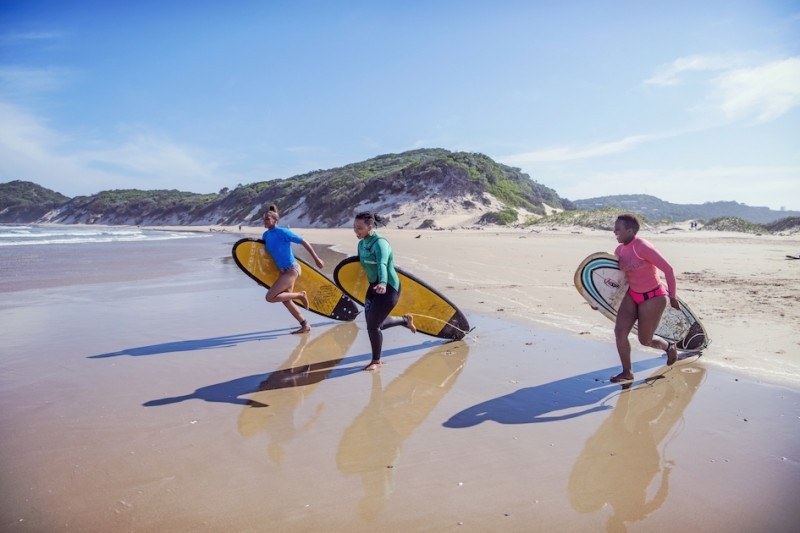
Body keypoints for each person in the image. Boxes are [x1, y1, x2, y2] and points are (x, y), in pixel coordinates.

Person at [610, 213, 679, 383]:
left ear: (630, 230)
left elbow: (668, 270)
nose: (614, 231)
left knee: (645, 340)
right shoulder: (619, 250)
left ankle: (669, 346)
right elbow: (616, 280)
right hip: (632, 294)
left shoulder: (642, 247)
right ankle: (627, 372)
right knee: (619, 332)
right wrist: (596, 299)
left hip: (653, 297)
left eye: (618, 229)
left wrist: (673, 296)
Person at [352, 211, 416, 371]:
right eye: (354, 227)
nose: (356, 231)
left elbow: (382, 264)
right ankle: (404, 321)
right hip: (373, 287)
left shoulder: (380, 243)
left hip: (388, 288)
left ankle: (376, 361)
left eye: (359, 228)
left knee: (373, 326)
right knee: (373, 323)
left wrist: (382, 282)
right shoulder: (361, 244)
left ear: (370, 226)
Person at [262, 204, 324, 334]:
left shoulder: (283, 232)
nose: (265, 221)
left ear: (275, 220)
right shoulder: (266, 235)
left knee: (270, 297)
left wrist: (316, 259)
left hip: (292, 269)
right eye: (264, 219)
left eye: (267, 219)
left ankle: (300, 295)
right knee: (286, 300)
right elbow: (266, 257)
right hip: (282, 271)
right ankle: (305, 325)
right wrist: (259, 275)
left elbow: (303, 241)